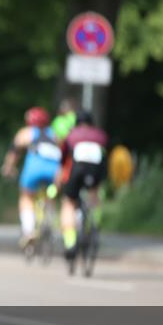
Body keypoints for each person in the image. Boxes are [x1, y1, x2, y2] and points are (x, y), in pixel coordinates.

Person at [1, 106, 62, 248]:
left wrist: (8, 167)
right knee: (51, 196)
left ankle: (29, 232)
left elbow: (14, 152)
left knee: (26, 197)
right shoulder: (55, 134)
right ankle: (50, 223)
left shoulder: (27, 133)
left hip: (34, 171)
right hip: (54, 172)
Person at [57, 109, 108, 259]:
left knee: (69, 203)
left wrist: (60, 175)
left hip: (77, 168)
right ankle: (95, 221)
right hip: (97, 169)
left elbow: (63, 158)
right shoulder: (100, 135)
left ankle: (70, 242)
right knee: (94, 194)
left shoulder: (71, 135)